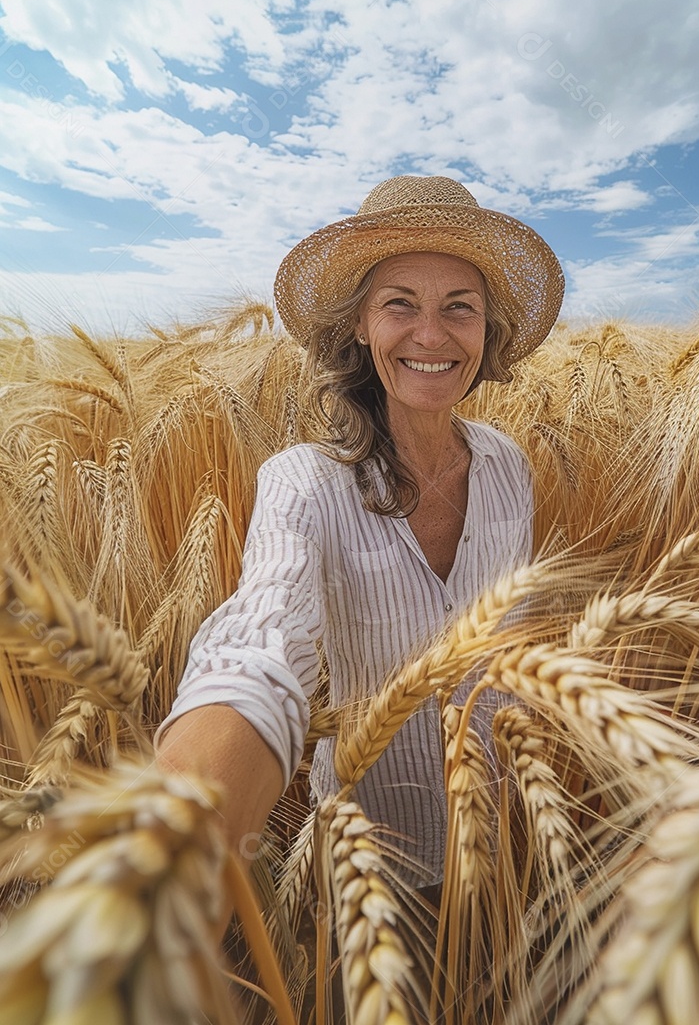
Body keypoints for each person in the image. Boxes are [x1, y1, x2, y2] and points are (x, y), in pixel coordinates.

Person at [156, 174, 565, 889]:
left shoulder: (508, 466)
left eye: (459, 308)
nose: (431, 336)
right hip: (365, 872)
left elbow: (512, 652)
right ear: (358, 324)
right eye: (399, 305)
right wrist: (176, 842)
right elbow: (262, 637)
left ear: (486, 329)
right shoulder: (303, 483)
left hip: (497, 848)